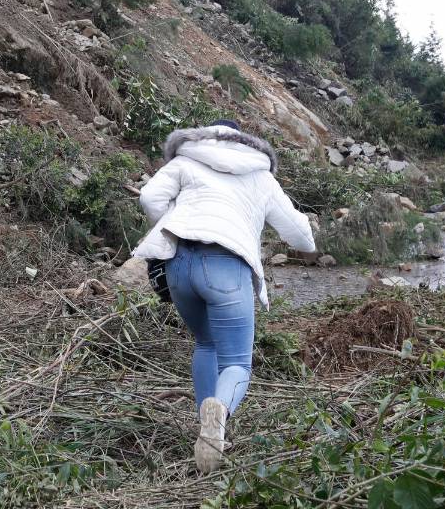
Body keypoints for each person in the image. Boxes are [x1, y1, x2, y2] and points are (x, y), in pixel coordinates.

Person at [131, 119, 316, 473]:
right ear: (246, 143)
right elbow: (301, 238)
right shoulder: (262, 175)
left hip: (179, 265)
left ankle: (206, 431)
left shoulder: (185, 159)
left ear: (205, 136)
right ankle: (219, 414)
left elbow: (149, 198)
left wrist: (179, 223)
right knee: (237, 363)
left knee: (205, 344)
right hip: (226, 266)